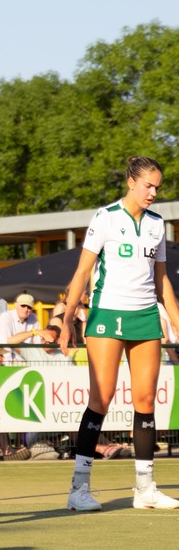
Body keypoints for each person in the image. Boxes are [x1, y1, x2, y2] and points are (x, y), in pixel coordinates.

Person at [61, 156, 179, 512]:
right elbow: (83, 272)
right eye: (148, 185)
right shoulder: (106, 217)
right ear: (131, 182)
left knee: (145, 400)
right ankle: (79, 488)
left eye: (157, 187)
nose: (153, 192)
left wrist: (177, 322)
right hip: (107, 314)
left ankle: (145, 489)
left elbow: (162, 281)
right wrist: (66, 319)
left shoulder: (157, 225)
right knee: (101, 398)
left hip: (145, 317)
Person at [0, 294, 41, 362]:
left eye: (29, 307)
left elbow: (37, 342)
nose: (26, 309)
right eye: (23, 306)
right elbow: (4, 343)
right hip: (10, 360)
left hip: (29, 360)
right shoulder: (6, 317)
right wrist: (8, 364)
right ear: (16, 305)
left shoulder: (33, 318)